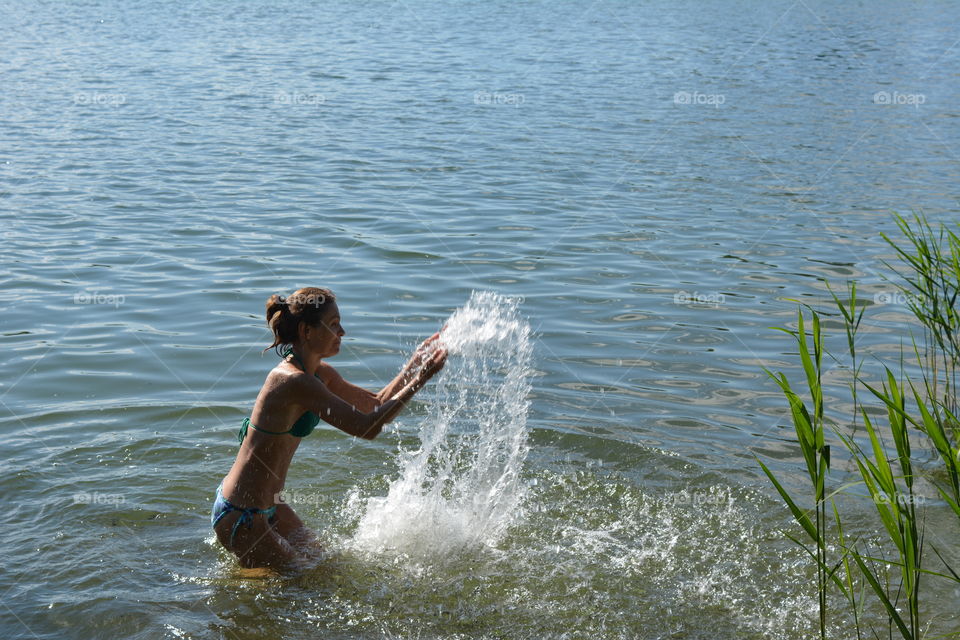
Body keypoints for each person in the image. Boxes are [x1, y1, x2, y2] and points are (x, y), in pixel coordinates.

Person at [211, 287, 447, 570]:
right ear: (306, 331)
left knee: (324, 564)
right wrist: (421, 379)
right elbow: (367, 428)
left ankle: (251, 576)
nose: (343, 332)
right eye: (334, 325)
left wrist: (416, 363)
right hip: (243, 515)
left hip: (271, 506)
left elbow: (374, 404)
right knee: (305, 582)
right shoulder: (292, 381)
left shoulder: (319, 374)